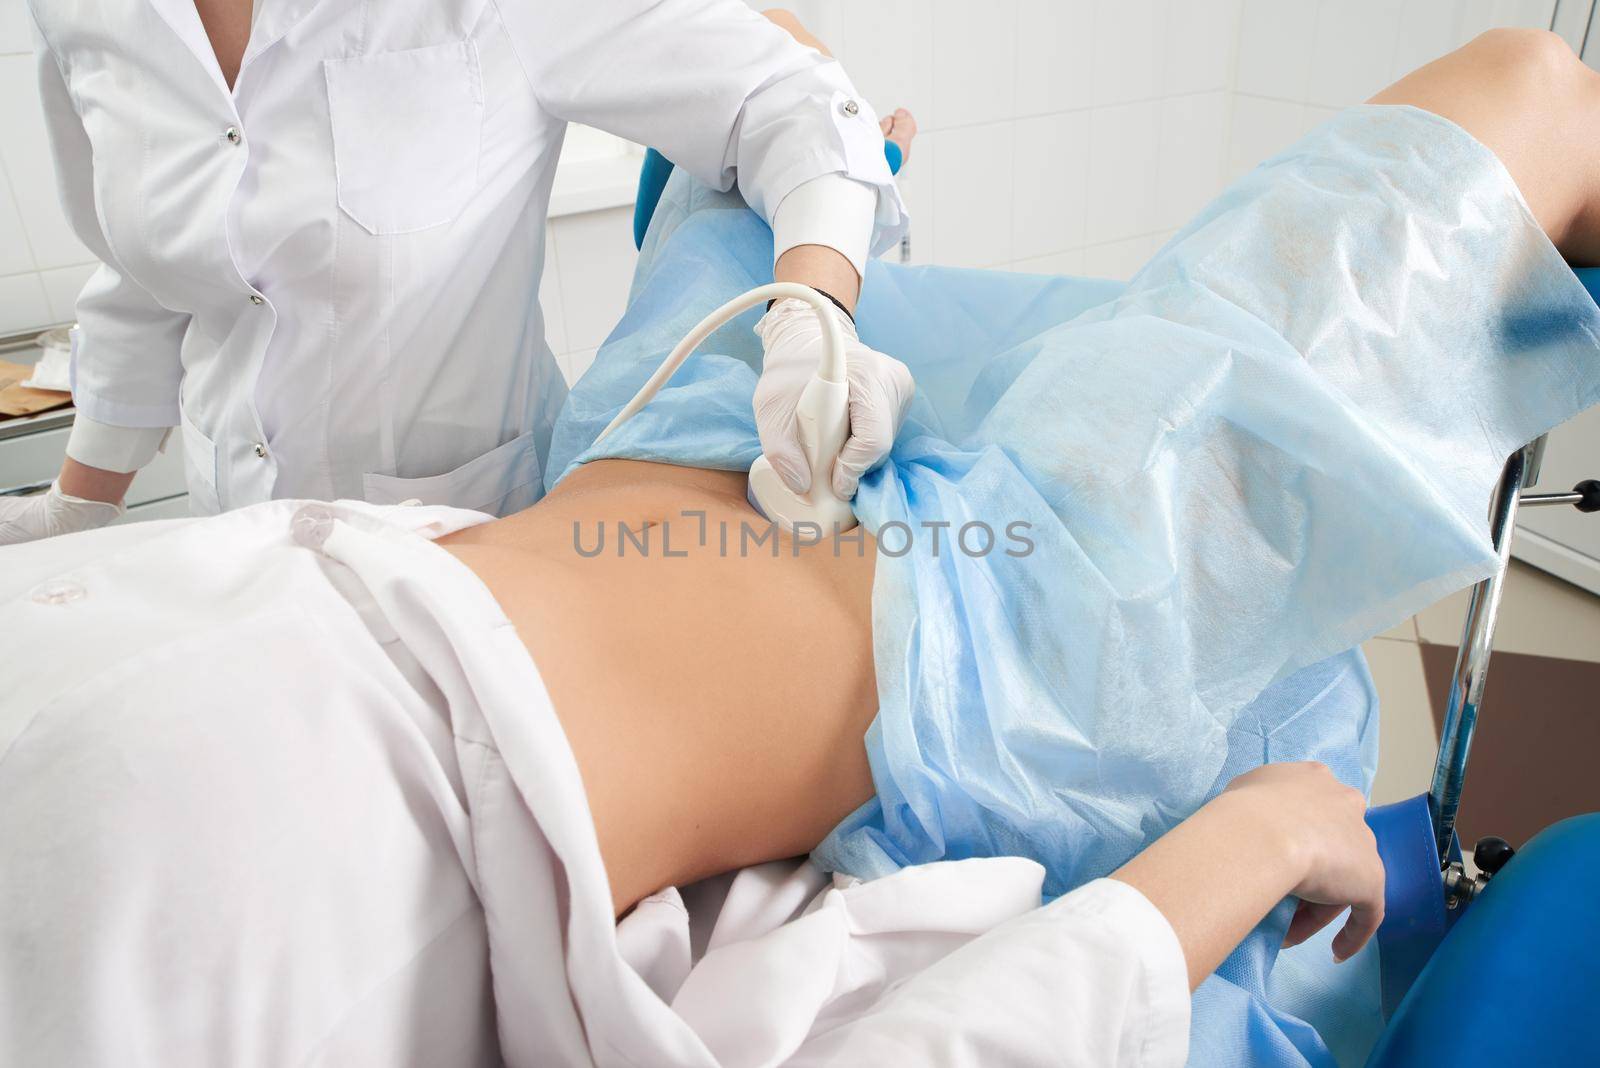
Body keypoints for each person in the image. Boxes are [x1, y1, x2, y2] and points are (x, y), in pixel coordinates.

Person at [6, 26, 1600, 1066]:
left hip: (596, 467)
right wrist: (1254, 838)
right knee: (1534, 101)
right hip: (981, 630)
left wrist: (813, 288)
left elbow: (779, 103)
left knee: (775, 145)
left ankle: (837, 213)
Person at [0, 2, 913, 541]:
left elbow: (785, 101)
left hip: (470, 548)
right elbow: (139, 274)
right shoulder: (85, 14)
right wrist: (74, 513)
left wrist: (812, 316)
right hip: (233, 545)